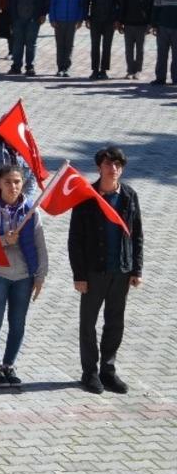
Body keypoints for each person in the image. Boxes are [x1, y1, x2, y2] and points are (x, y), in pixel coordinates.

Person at [69, 146, 143, 395]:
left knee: (115, 322)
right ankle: (89, 372)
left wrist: (136, 269)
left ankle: (108, 370)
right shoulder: (86, 196)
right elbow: (75, 239)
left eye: (118, 165)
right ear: (99, 167)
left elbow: (137, 235)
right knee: (88, 324)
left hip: (120, 271)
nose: (114, 169)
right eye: (109, 164)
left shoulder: (129, 196)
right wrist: (78, 275)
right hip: (93, 271)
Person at [0, 165, 47, 388]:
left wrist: (40, 275)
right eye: (8, 182)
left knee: (18, 323)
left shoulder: (30, 209)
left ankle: (9, 364)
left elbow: (40, 244)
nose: (13, 186)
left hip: (24, 275)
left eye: (17, 182)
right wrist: (2, 241)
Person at [6, 0, 50, 76]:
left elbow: (47, 0)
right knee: (17, 43)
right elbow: (10, 0)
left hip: (33, 19)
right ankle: (16, 66)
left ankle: (30, 66)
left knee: (31, 44)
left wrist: (43, 14)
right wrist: (12, 16)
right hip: (18, 18)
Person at [84, 0, 121, 80]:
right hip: (95, 19)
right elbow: (87, 1)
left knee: (107, 46)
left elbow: (120, 3)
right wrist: (87, 17)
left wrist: (117, 20)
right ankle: (95, 70)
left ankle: (104, 70)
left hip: (109, 21)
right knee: (95, 46)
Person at [49, 0, 86, 78]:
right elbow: (52, 3)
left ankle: (67, 68)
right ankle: (60, 68)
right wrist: (52, 18)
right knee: (60, 44)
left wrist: (80, 19)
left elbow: (83, 5)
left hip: (73, 20)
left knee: (69, 45)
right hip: (59, 19)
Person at [119, 0, 154, 80]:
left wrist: (150, 24)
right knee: (129, 49)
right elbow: (123, 7)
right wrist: (121, 22)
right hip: (129, 24)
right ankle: (130, 70)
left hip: (142, 25)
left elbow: (152, 9)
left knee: (140, 50)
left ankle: (138, 71)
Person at [154, 0, 177, 85]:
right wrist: (154, 25)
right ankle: (160, 78)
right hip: (163, 28)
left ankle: (175, 79)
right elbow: (156, 10)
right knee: (162, 54)